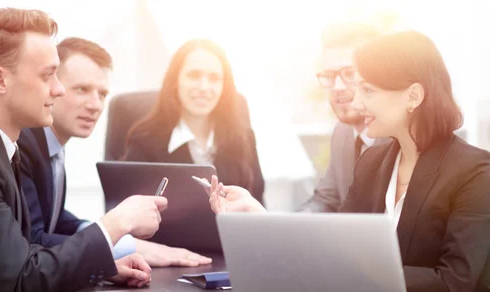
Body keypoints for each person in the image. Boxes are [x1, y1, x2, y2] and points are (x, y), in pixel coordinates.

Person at [0, 8, 167, 291]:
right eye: (47, 75)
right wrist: (118, 221)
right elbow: (24, 279)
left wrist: (100, 268)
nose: (58, 89)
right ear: (0, 80)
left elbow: (24, 254)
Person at [206, 31, 490, 292]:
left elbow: (455, 281)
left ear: (413, 96)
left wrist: (360, 271)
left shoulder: (474, 172)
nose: (357, 103)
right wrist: (260, 218)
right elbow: (333, 244)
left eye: (369, 91)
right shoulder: (373, 163)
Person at [18, 37, 211, 267]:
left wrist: (112, 233)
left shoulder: (52, 147)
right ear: (53, 86)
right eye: (82, 89)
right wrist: (123, 243)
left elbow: (55, 219)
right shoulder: (23, 145)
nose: (95, 105)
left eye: (101, 94)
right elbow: (34, 239)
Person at [123, 39, 265, 204]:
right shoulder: (144, 140)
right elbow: (129, 210)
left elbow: (256, 201)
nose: (204, 87)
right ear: (175, 80)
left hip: (232, 230)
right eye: (194, 75)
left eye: (214, 78)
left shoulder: (242, 137)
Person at [298, 22, 385, 212]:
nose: (337, 87)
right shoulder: (342, 134)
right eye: (329, 75)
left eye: (349, 73)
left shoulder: (403, 138)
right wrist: (279, 225)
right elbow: (326, 199)